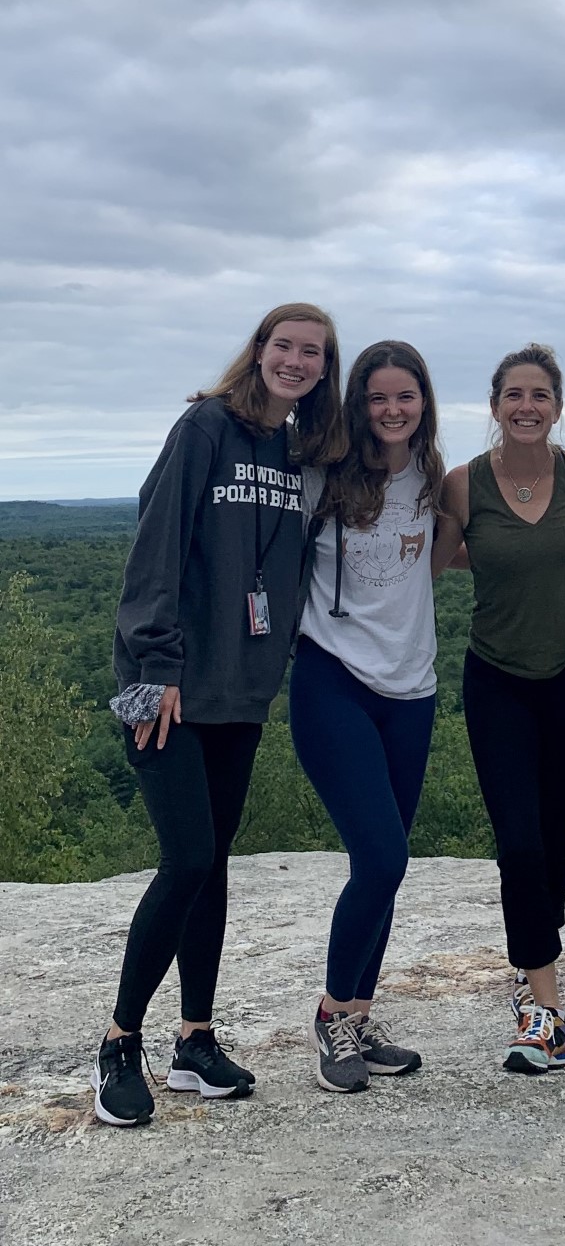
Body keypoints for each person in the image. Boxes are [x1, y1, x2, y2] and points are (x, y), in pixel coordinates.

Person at [95, 303, 345, 1127]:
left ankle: (193, 1039)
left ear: (323, 369)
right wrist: (153, 666)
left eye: (313, 353)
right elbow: (156, 545)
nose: (297, 362)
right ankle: (119, 1039)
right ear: (260, 352)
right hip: (169, 686)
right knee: (188, 858)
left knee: (216, 863)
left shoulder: (296, 451)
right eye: (285, 346)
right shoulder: (206, 427)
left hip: (241, 689)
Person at [433, 343, 565, 1074]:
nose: (527, 406)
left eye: (540, 395)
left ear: (558, 406)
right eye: (514, 395)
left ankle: (533, 953)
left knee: (555, 831)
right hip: (497, 678)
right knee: (518, 840)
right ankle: (544, 1008)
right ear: (496, 405)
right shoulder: (463, 486)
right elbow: (434, 559)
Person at [292, 341, 444, 1093]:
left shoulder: (437, 478)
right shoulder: (321, 475)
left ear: (424, 402)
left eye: (405, 397)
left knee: (382, 871)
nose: (392, 410)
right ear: (359, 403)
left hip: (412, 690)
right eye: (378, 398)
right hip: (334, 683)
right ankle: (329, 1016)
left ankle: (359, 1013)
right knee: (383, 857)